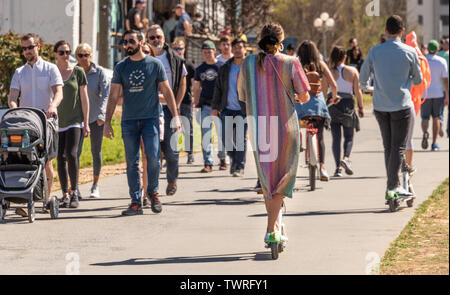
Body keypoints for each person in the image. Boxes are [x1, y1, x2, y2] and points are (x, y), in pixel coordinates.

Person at [237, 23, 310, 247]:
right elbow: (305, 94)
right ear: (280, 41)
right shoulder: (290, 62)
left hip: (261, 128)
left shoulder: (248, 63)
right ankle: (271, 229)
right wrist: (295, 98)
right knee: (284, 177)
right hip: (286, 127)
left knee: (268, 180)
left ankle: (274, 227)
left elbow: (242, 94)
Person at [104, 29, 181, 216]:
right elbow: (113, 96)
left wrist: (176, 115)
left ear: (141, 42)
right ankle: (135, 201)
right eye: (125, 41)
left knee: (153, 157)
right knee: (132, 162)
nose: (127, 44)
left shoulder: (154, 64)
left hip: (150, 119)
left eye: (131, 41)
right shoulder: (121, 67)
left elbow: (167, 90)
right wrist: (107, 122)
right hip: (129, 120)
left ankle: (153, 193)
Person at [360, 15, 422, 198]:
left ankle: (392, 186)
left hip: (380, 106)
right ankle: (392, 187)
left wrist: (371, 88)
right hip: (401, 104)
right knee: (398, 147)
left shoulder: (374, 51)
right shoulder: (409, 52)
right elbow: (418, 79)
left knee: (389, 146)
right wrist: (405, 81)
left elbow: (363, 79)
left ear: (386, 31)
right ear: (402, 31)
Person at [8, 33, 64, 217]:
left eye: (30, 47)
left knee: (46, 162)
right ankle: (27, 198)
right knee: (26, 161)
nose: (27, 51)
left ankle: (47, 199)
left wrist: (52, 106)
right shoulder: (19, 72)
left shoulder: (50, 68)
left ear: (38, 47)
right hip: (26, 124)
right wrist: (14, 109)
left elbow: (58, 92)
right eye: (24, 48)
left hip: (46, 122)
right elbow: (12, 97)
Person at [147, 25, 187, 196]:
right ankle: (152, 188)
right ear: (147, 40)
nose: (156, 40)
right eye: (152, 38)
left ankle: (172, 180)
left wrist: (176, 105)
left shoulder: (174, 58)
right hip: (150, 110)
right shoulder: (144, 57)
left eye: (159, 37)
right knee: (153, 152)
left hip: (170, 110)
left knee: (171, 151)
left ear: (164, 38)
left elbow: (183, 81)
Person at [54, 40, 90, 209]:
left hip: (75, 120)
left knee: (72, 154)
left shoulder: (78, 71)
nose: (65, 55)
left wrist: (86, 122)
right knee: (60, 157)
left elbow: (84, 98)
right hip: (57, 121)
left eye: (68, 52)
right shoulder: (52, 72)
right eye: (61, 52)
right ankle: (65, 194)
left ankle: (75, 191)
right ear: (55, 54)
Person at [296, 40, 338, 181]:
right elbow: (334, 85)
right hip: (318, 104)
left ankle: (295, 158)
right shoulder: (320, 64)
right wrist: (333, 97)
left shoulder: (296, 64)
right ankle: (322, 167)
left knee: (294, 131)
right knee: (320, 136)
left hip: (301, 103)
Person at [75, 43, 110, 199]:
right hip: (77, 119)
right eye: (80, 55)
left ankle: (95, 185)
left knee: (96, 151)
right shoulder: (73, 72)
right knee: (74, 153)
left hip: (95, 118)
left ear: (91, 55)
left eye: (86, 55)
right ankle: (75, 186)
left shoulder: (99, 72)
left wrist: (102, 115)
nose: (84, 58)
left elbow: (106, 94)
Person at [212, 38, 248, 177]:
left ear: (245, 49)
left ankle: (239, 166)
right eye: (236, 47)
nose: (238, 49)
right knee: (226, 139)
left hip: (243, 109)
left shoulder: (249, 67)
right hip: (227, 108)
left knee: (240, 138)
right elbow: (218, 88)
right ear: (232, 50)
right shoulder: (225, 67)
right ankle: (234, 159)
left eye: (240, 47)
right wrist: (214, 107)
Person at [329, 46, 365, 177]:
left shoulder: (329, 72)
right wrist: (361, 107)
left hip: (333, 103)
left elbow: (322, 91)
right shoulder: (352, 71)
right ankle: (346, 158)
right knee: (349, 136)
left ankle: (337, 168)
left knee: (336, 137)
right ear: (345, 57)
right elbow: (357, 91)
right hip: (347, 105)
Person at [193, 40, 225, 173]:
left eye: (209, 51)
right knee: (206, 135)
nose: (207, 54)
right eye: (204, 52)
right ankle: (208, 163)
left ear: (214, 51)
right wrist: (196, 104)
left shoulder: (222, 67)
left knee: (222, 134)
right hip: (205, 105)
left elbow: (227, 87)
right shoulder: (199, 69)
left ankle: (223, 159)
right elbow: (196, 88)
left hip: (220, 106)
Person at [420, 40, 449, 151]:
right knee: (436, 117)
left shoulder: (422, 60)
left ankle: (425, 132)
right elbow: (445, 80)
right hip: (438, 93)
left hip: (425, 93)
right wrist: (447, 95)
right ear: (437, 49)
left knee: (425, 117)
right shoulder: (441, 61)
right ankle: (434, 143)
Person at [172, 39, 196, 164]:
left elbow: (194, 84)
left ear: (184, 49)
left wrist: (194, 100)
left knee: (188, 128)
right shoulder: (171, 63)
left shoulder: (189, 64)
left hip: (186, 101)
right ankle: (171, 155)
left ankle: (190, 153)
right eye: (175, 49)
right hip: (171, 101)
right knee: (172, 129)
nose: (178, 51)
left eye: (180, 48)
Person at [437, 37, 449, 137]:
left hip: (440, 85)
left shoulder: (438, 55)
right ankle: (448, 130)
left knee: (440, 107)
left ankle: (440, 119)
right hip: (448, 85)